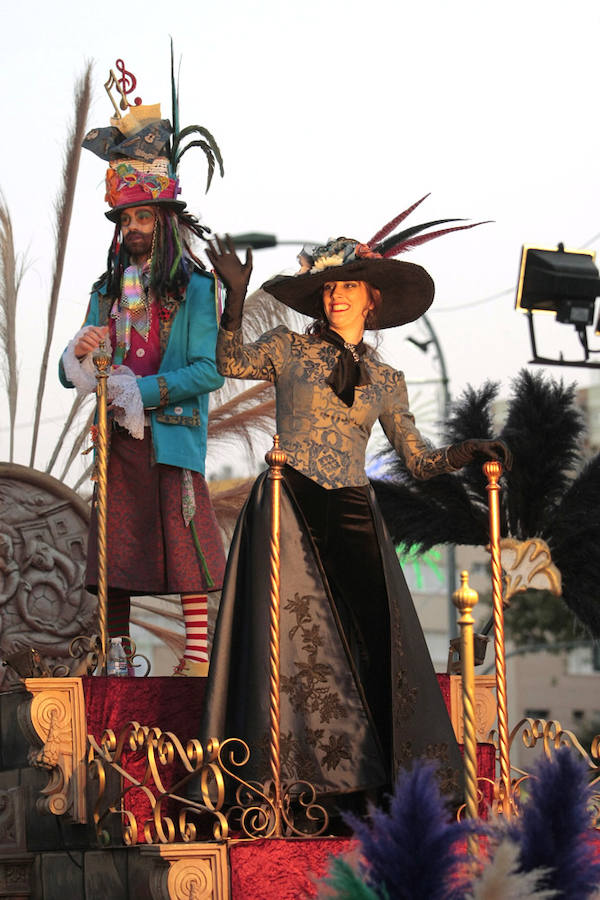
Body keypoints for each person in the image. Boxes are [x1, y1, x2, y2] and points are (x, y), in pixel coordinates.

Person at [198, 218, 511, 817]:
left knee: (376, 640)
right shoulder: (290, 349)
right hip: (290, 501)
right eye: (328, 286)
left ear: (372, 298)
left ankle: (383, 784)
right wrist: (234, 299)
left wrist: (467, 453)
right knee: (293, 641)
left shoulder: (389, 380)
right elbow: (232, 363)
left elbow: (416, 460)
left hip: (351, 505)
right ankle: (290, 781)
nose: (336, 293)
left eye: (348, 285)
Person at [59, 67, 226, 676]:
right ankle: (118, 654)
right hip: (117, 442)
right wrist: (78, 348)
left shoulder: (198, 289)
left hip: (172, 429)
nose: (131, 229)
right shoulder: (104, 289)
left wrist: (143, 388)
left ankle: (198, 658)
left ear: (165, 221)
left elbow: (208, 371)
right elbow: (65, 368)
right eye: (124, 220)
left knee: (184, 545)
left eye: (142, 218)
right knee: (117, 553)